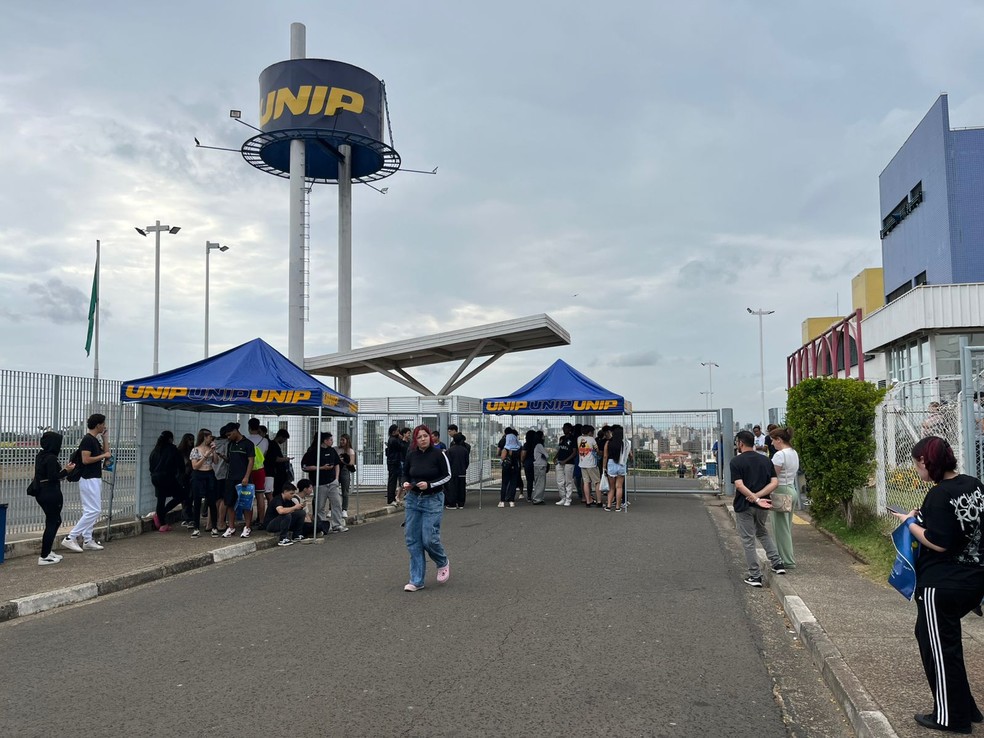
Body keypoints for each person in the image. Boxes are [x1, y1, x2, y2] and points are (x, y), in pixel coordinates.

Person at [890, 436, 984, 734]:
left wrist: (909, 522)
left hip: (941, 585)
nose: (917, 471)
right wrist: (921, 517)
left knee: (939, 649)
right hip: (974, 579)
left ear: (925, 462)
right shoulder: (974, 485)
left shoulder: (939, 495)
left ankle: (950, 717)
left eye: (917, 464)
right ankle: (966, 707)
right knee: (944, 643)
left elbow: (938, 542)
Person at [730, 429, 786, 587]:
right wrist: (759, 497)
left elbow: (739, 485)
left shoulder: (736, 461)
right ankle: (777, 563)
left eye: (737, 443)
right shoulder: (765, 460)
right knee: (762, 531)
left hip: (744, 505)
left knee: (748, 539)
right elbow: (774, 483)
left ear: (740, 443)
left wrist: (753, 498)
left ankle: (755, 575)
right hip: (764, 504)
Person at [400, 424, 451, 592]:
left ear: (431, 437)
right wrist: (405, 483)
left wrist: (430, 484)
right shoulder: (411, 454)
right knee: (412, 539)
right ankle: (416, 580)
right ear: (415, 439)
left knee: (429, 538)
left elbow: (447, 475)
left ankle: (442, 561)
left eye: (425, 436)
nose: (423, 439)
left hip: (433, 499)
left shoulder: (439, 454)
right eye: (419, 437)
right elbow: (406, 473)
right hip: (413, 500)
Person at [62, 413, 111, 553]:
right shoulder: (87, 440)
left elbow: (107, 453)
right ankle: (70, 537)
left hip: (94, 477)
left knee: (89, 510)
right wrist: (103, 456)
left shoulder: (94, 440)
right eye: (103, 424)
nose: (105, 426)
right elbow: (86, 460)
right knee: (94, 510)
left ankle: (88, 540)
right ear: (98, 425)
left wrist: (105, 438)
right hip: (88, 478)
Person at [34, 431, 75, 565]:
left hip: (41, 492)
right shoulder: (51, 458)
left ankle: (48, 551)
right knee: (53, 522)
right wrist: (66, 471)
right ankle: (44, 556)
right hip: (51, 492)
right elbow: (53, 477)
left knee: (53, 521)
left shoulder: (41, 456)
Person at [301, 432, 346, 533]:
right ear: (324, 441)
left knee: (337, 503)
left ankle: (337, 525)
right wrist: (322, 468)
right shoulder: (313, 451)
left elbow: (337, 464)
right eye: (330, 439)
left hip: (332, 482)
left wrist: (336, 478)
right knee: (320, 506)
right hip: (319, 483)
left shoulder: (332, 450)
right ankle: (321, 526)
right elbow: (305, 467)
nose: (332, 441)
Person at [769, 427, 799, 569]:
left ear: (779, 440)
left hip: (780, 490)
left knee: (780, 528)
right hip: (791, 489)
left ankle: (786, 560)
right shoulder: (793, 453)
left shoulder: (779, 456)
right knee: (786, 526)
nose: (772, 444)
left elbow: (773, 475)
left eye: (773, 440)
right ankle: (787, 557)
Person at [220, 422, 254, 538]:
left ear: (235, 431)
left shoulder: (248, 444)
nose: (228, 437)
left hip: (243, 478)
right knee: (230, 502)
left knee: (246, 502)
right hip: (230, 477)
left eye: (229, 434)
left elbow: (251, 460)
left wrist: (246, 476)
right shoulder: (230, 444)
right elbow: (231, 460)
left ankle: (247, 526)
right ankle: (231, 527)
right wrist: (224, 458)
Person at [148, 431, 184, 533]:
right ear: (170, 439)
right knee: (181, 495)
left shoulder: (155, 451)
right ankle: (161, 515)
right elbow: (180, 464)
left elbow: (151, 466)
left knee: (161, 499)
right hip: (168, 477)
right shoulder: (172, 449)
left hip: (155, 477)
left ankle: (162, 523)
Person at [188, 428, 219, 538]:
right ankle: (196, 527)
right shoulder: (195, 450)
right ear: (204, 437)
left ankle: (214, 527)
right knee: (197, 501)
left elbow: (216, 461)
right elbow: (195, 466)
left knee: (212, 501)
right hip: (198, 475)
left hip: (209, 474)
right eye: (210, 436)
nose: (211, 438)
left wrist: (213, 451)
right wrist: (205, 456)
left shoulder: (210, 449)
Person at [263, 481, 307, 546]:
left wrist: (300, 506)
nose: (292, 496)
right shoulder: (277, 499)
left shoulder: (289, 500)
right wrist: (294, 507)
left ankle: (297, 534)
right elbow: (281, 511)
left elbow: (295, 509)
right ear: (285, 491)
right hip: (271, 524)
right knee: (286, 515)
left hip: (282, 522)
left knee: (301, 513)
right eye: (291, 493)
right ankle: (283, 538)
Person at [602, 424, 631, 512]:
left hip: (611, 464)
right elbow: (629, 455)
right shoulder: (625, 443)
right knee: (619, 487)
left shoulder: (608, 442)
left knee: (611, 488)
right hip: (621, 465)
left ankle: (609, 506)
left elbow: (605, 456)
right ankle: (618, 507)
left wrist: (604, 467)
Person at [247, 418, 269, 525]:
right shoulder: (264, 441)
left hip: (248, 470)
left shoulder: (246, 440)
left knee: (248, 495)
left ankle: (248, 521)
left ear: (249, 427)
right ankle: (261, 520)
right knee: (260, 495)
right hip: (260, 469)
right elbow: (264, 454)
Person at [577, 425, 602, 507]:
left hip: (582, 463)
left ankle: (588, 501)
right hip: (591, 464)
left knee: (586, 483)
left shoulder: (579, 438)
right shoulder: (591, 439)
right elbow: (597, 450)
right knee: (597, 482)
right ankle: (599, 501)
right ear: (590, 432)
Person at [266, 429, 292, 506]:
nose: (284, 441)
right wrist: (286, 459)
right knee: (276, 492)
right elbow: (275, 459)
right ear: (280, 437)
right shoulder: (273, 445)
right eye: (284, 439)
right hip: (277, 473)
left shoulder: (273, 445)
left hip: (277, 473)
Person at [176, 432, 196, 527]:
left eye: (192, 440)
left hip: (189, 476)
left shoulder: (192, 451)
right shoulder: (180, 452)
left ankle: (187, 517)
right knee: (186, 498)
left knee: (189, 498)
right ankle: (187, 517)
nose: (192, 442)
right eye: (190, 440)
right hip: (183, 477)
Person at [498, 427, 522, 508]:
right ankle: (512, 501)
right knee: (513, 484)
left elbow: (502, 457)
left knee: (504, 483)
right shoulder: (518, 447)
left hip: (506, 468)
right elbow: (521, 457)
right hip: (515, 467)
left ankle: (502, 501)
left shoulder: (506, 448)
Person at [554, 423, 577, 506]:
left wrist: (565, 460)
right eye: (563, 428)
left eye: (565, 428)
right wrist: (555, 457)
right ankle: (562, 497)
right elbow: (560, 449)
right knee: (559, 481)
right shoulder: (562, 438)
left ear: (569, 429)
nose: (564, 429)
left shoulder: (573, 438)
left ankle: (568, 499)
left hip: (569, 463)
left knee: (568, 481)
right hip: (560, 461)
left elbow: (574, 452)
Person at [446, 433, 470, 509]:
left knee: (453, 488)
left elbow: (448, 462)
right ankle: (461, 503)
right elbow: (467, 462)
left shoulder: (450, 450)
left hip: (453, 472)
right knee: (462, 488)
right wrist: (464, 468)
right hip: (462, 472)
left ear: (454, 440)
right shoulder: (465, 450)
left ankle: (452, 504)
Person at [336, 433, 356, 519]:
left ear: (347, 441)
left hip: (344, 470)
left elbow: (351, 463)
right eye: (340, 440)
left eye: (343, 440)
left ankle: (344, 509)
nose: (341, 442)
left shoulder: (350, 451)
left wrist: (344, 460)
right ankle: (331, 509)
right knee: (334, 490)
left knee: (345, 491)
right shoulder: (336, 449)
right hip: (336, 470)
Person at [385, 424, 403, 507]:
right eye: (397, 431)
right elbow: (401, 447)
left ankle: (392, 498)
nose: (399, 433)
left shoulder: (393, 439)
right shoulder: (393, 440)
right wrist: (401, 439)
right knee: (392, 481)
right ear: (393, 432)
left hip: (394, 461)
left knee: (394, 480)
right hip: (393, 462)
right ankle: (390, 499)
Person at [530, 430, 549, 504]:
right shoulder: (540, 445)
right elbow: (547, 455)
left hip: (537, 466)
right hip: (541, 466)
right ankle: (537, 499)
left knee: (538, 483)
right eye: (543, 435)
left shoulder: (536, 445)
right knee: (541, 483)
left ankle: (538, 498)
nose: (544, 437)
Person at [522, 430, 537, 501]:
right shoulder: (537, 444)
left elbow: (524, 454)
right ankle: (537, 496)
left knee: (529, 481)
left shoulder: (526, 444)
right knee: (537, 481)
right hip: (536, 463)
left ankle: (529, 497)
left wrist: (522, 461)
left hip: (528, 463)